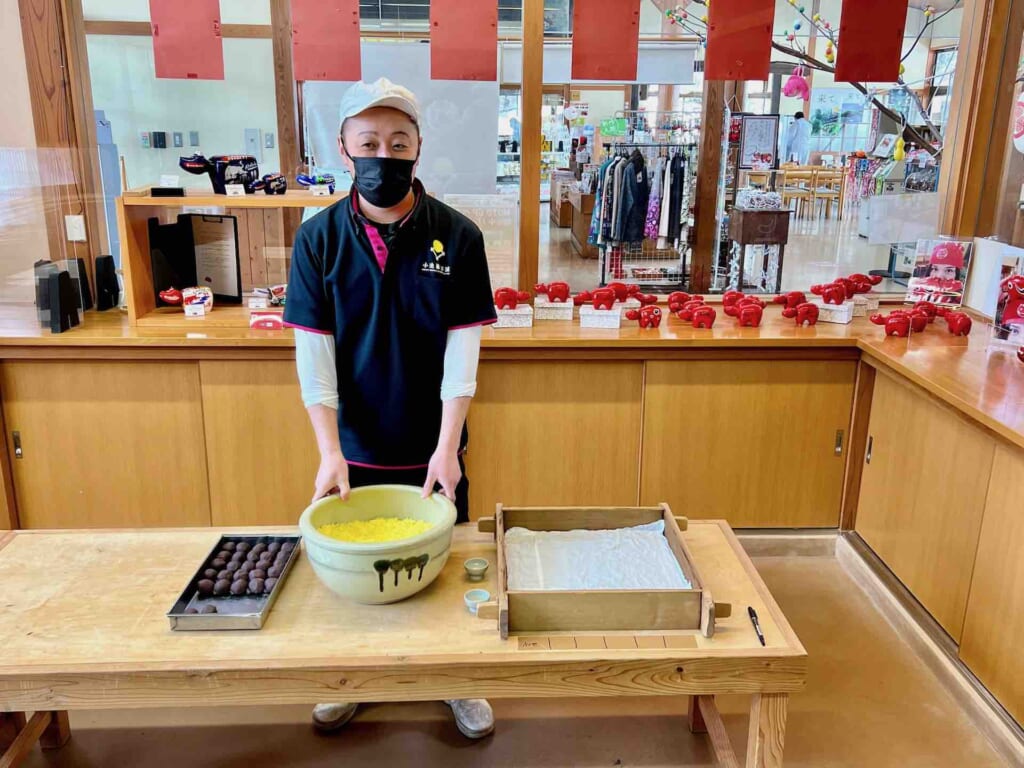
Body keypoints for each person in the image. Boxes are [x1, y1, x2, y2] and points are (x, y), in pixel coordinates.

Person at [283, 78, 498, 739]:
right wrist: (327, 451)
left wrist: (447, 447)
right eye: (369, 141)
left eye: (398, 142)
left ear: (418, 149)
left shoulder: (457, 238)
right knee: (353, 575)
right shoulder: (317, 239)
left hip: (433, 444)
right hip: (351, 447)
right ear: (345, 148)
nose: (384, 154)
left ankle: (456, 678)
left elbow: (463, 355)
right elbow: (313, 358)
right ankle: (352, 676)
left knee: (444, 564)